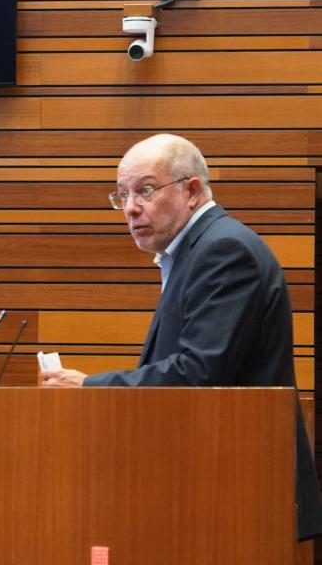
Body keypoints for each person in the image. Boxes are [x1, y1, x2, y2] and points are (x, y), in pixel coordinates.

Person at [39, 133, 322, 541]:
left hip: (239, 492)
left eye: (146, 190)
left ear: (191, 191)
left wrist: (89, 386)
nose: (131, 208)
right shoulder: (198, 250)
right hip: (215, 489)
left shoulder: (223, 250)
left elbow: (199, 374)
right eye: (122, 195)